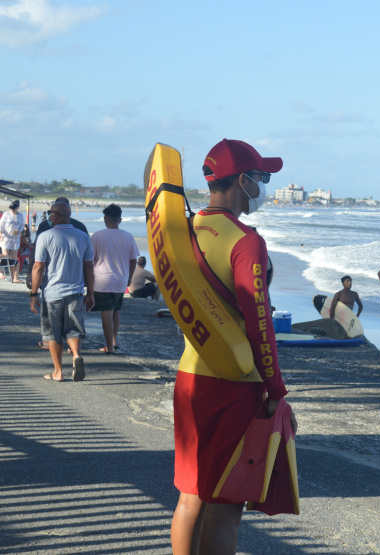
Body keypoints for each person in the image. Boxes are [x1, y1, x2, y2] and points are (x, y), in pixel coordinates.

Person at [170, 139, 296, 554]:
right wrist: (276, 390)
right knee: (226, 503)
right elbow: (260, 324)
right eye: (261, 177)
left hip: (190, 374)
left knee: (191, 496)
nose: (263, 185)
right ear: (242, 180)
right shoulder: (245, 241)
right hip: (233, 382)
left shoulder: (183, 229)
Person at [28, 201, 95, 382]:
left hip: (52, 294)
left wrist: (34, 294)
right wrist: (91, 293)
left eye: (51, 213)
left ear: (55, 216)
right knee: (73, 330)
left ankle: (58, 372)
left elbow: (38, 267)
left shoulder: (46, 236)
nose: (49, 216)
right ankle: (75, 356)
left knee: (52, 334)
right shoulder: (83, 237)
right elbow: (89, 267)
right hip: (75, 292)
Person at [90, 204, 139, 353]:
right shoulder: (128, 236)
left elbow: (91, 259)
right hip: (121, 279)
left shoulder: (98, 235)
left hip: (102, 280)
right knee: (116, 310)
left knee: (106, 312)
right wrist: (130, 277)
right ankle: (114, 341)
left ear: (105, 219)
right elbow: (133, 260)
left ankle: (109, 347)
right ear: (120, 220)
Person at [0, 199, 26, 282]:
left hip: (15, 239)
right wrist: (0, 234)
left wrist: (19, 231)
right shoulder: (7, 214)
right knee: (5, 255)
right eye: (11, 208)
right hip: (6, 238)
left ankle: (15, 277)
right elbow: (1, 225)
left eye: (14, 208)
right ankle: (3, 273)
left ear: (17, 208)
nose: (12, 210)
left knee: (14, 259)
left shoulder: (20, 215)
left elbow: (22, 225)